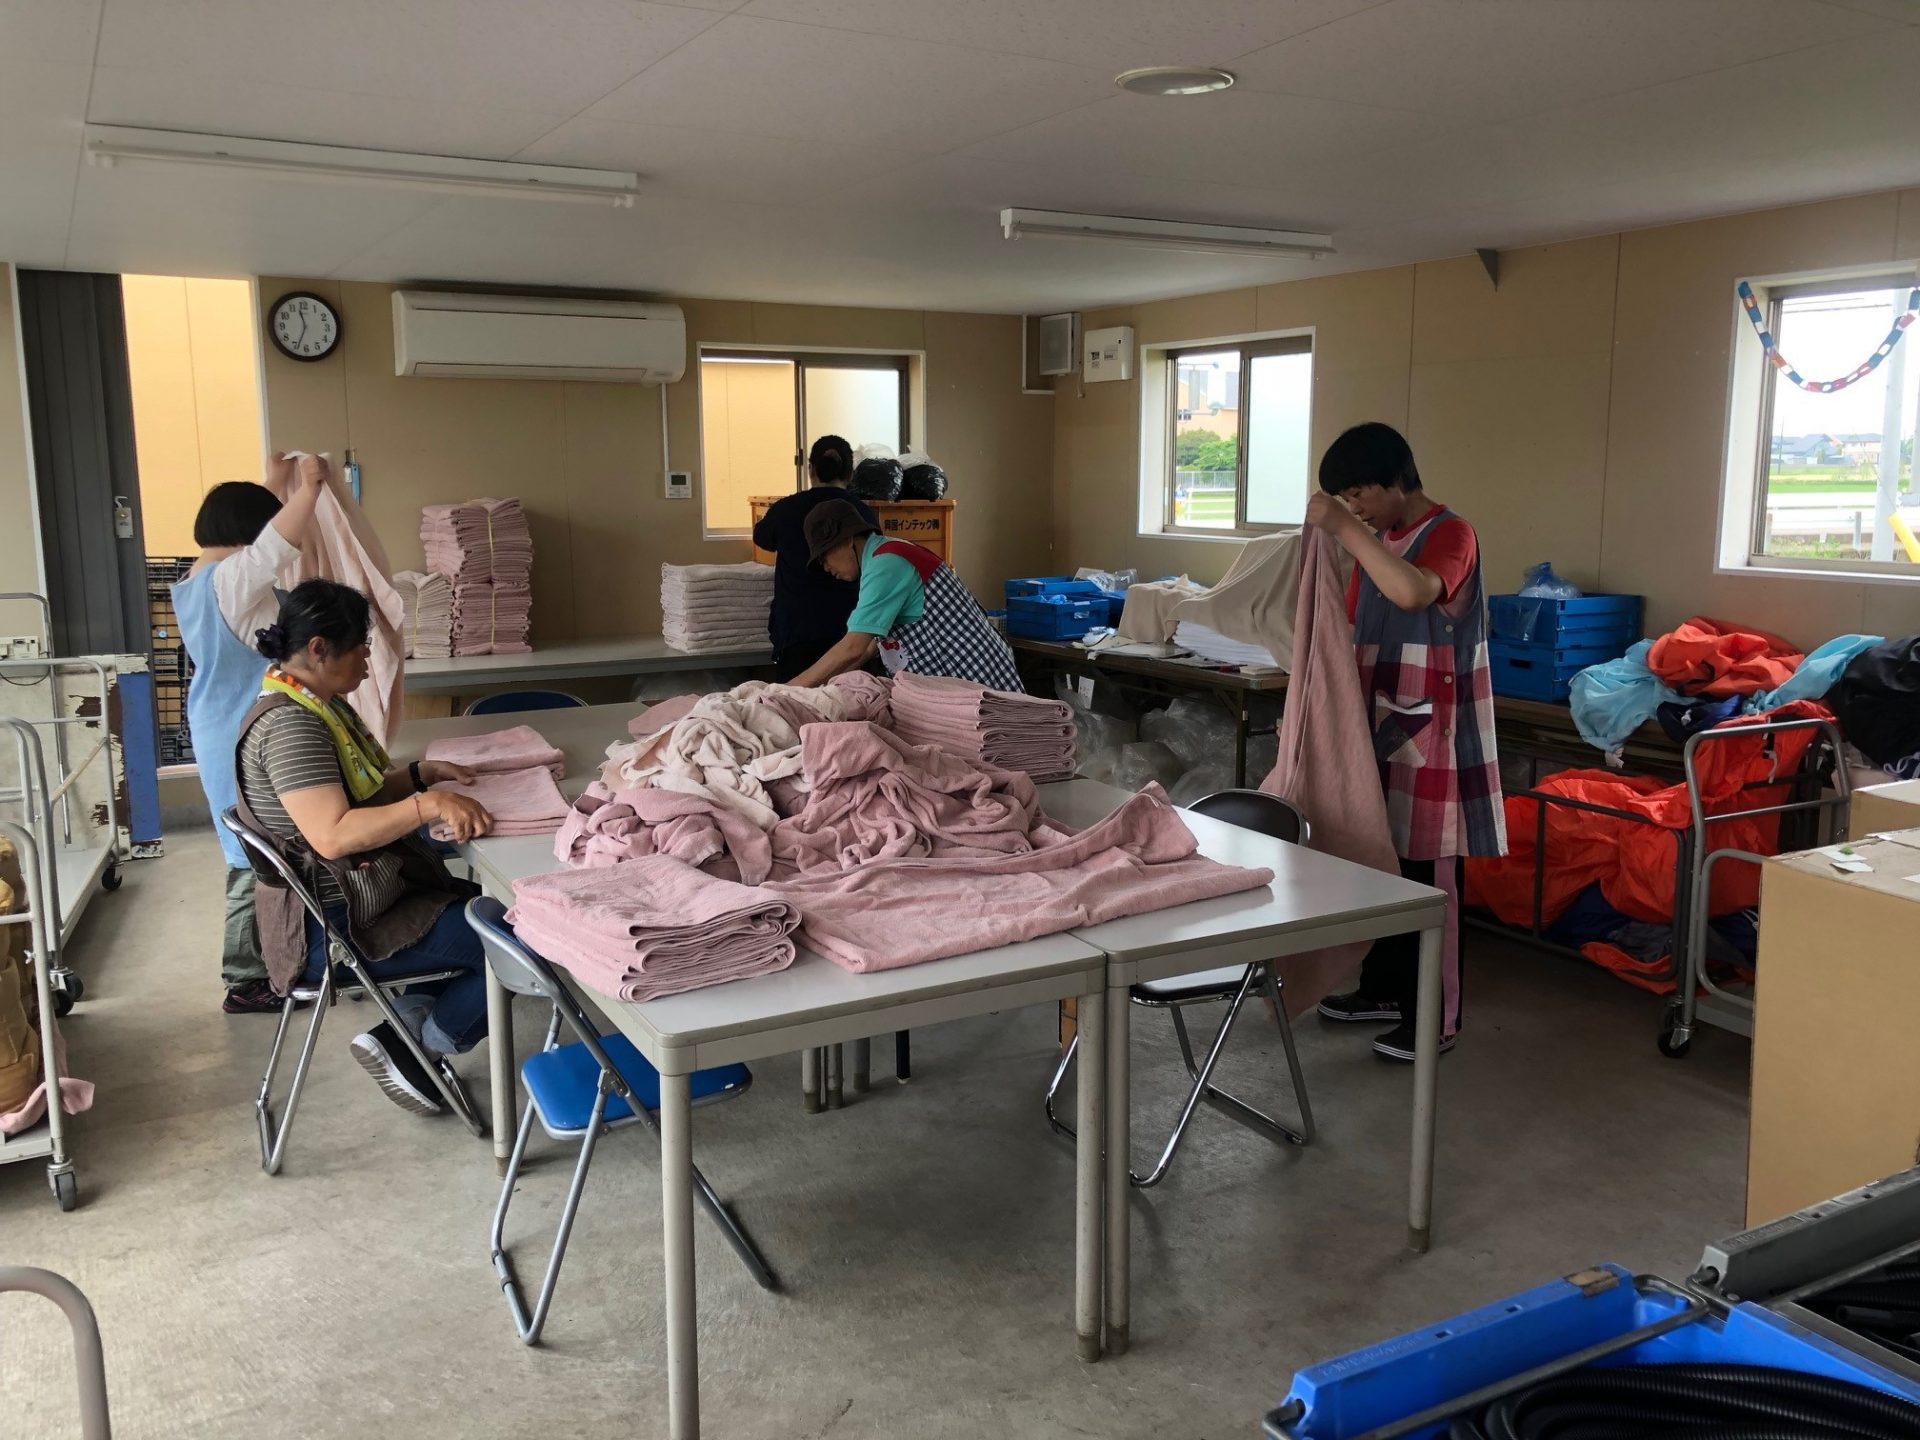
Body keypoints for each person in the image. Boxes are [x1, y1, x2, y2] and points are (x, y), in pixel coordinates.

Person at [234, 580, 495, 1116]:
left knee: (501, 915)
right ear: (319, 649)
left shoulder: (311, 705)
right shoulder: (291, 728)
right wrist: (427, 805)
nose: (368, 660)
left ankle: (404, 1030)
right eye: (361, 647)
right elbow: (333, 833)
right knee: (522, 940)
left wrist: (419, 776)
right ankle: (422, 1047)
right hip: (331, 929)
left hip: (351, 903)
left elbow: (354, 794)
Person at [1303, 422, 1505, 1061]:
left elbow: (1413, 591)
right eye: (1345, 500)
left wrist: (1344, 529)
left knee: (1428, 875)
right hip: (1381, 726)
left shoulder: (1451, 534)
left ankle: (1435, 1017)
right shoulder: (1379, 543)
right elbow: (1352, 623)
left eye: (1359, 494)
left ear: (1395, 480)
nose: (1355, 508)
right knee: (1381, 863)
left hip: (1433, 737)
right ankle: (1383, 989)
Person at [174, 453, 326, 1015]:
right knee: (250, 857)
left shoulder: (197, 578)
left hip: (221, 725)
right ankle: (245, 980)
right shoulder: (232, 578)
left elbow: (256, 539)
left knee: (256, 848)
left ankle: (279, 961)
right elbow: (272, 547)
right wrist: (308, 490)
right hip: (240, 734)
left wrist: (274, 482)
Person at [788, 498, 1023, 692]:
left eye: (824, 556)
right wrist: (824, 689)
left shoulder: (887, 563)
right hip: (959, 678)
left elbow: (853, 648)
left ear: (848, 540)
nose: (825, 567)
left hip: (975, 675)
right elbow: (867, 648)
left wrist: (789, 689)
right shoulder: (883, 557)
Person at [752, 435, 880, 682]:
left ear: (811, 469)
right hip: (852, 634)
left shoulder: (786, 509)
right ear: (850, 473)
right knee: (853, 702)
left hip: (799, 633)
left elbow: (762, 539)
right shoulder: (862, 512)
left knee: (793, 704)